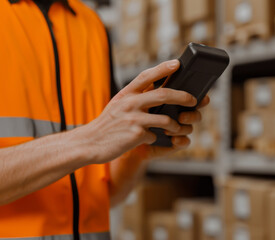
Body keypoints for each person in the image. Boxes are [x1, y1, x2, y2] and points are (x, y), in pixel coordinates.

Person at [0, 0, 210, 239]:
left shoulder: (91, 24)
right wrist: (90, 140)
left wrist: (135, 150)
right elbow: (93, 140)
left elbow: (107, 196)